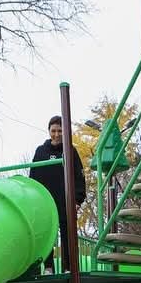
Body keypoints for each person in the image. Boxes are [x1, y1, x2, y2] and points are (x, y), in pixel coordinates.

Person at [29, 115, 86, 274]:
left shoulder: (70, 151)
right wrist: (33, 198)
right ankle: (48, 267)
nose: (56, 134)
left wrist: (78, 199)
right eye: (53, 130)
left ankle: (68, 267)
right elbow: (33, 175)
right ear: (49, 131)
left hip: (65, 200)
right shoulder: (40, 151)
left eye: (60, 131)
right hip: (45, 201)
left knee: (67, 234)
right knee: (47, 234)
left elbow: (79, 175)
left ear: (65, 131)